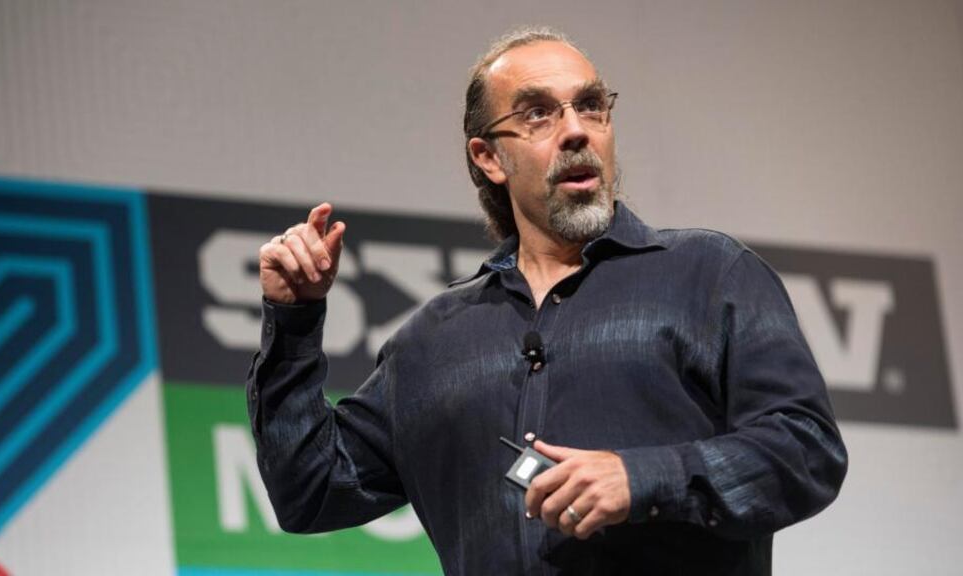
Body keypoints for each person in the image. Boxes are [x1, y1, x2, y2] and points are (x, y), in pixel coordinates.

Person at [248, 27, 848, 575]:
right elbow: (310, 491)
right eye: (537, 113)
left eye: (591, 105)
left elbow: (806, 451)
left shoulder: (709, 275)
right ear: (489, 157)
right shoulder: (432, 342)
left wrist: (641, 478)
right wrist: (294, 320)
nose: (577, 129)